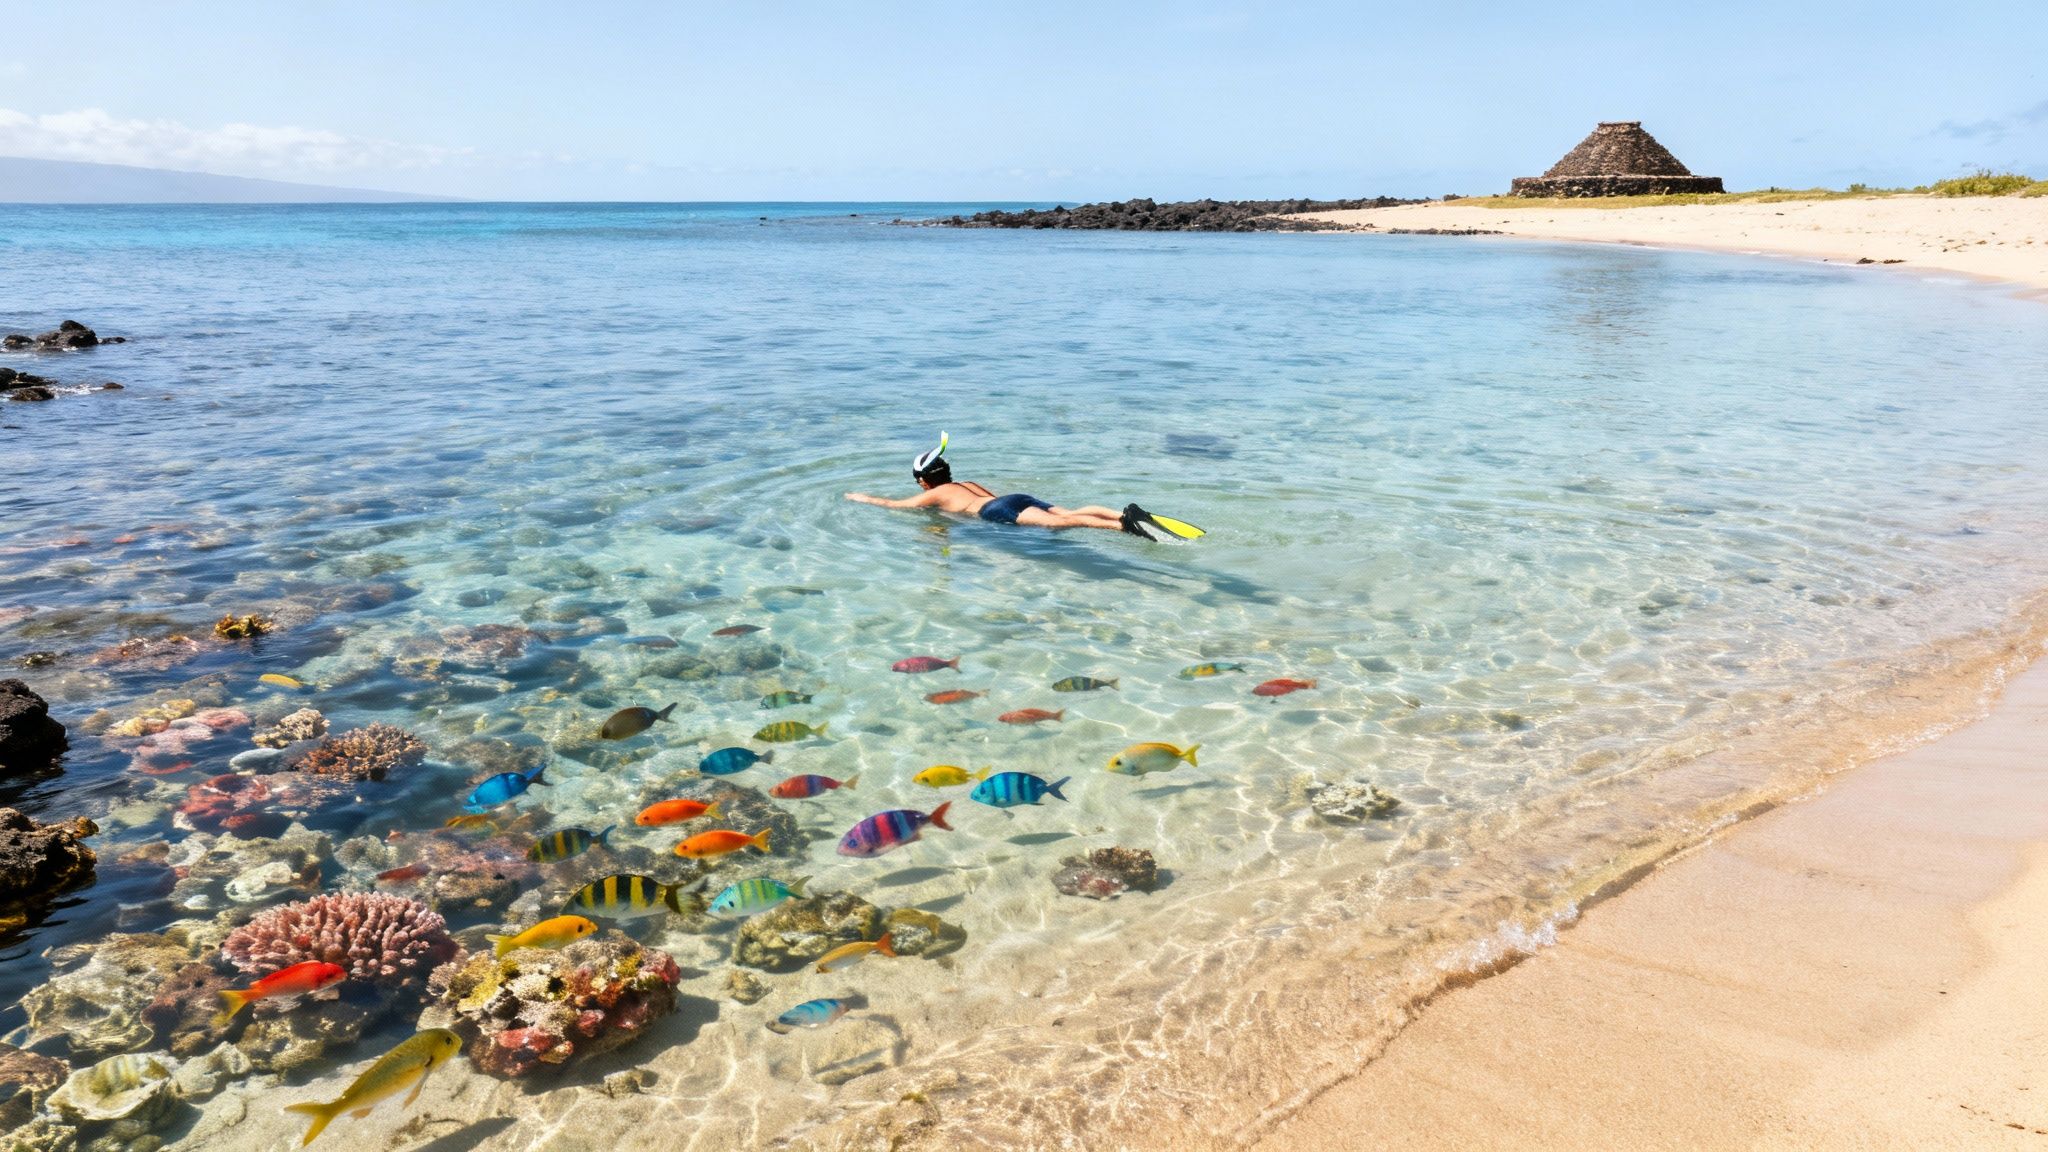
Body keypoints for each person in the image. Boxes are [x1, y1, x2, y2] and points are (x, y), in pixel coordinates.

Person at [844, 433, 1204, 541]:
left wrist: (862, 498)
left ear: (924, 482)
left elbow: (897, 506)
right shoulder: (965, 483)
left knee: (1060, 524)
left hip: (995, 510)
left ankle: (1123, 525)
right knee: (1065, 511)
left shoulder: (933, 494)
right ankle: (1121, 512)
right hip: (1009, 498)